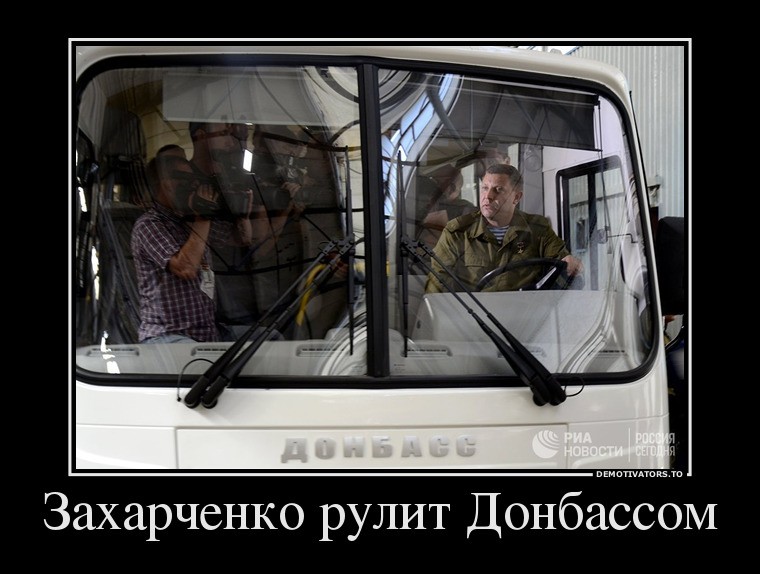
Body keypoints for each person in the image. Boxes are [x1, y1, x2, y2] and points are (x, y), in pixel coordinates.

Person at [130, 153, 251, 343]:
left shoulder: (189, 218)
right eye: (185, 179)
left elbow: (242, 238)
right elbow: (185, 268)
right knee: (203, 361)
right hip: (168, 335)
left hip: (207, 332)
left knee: (271, 339)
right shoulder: (149, 224)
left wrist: (241, 213)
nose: (193, 185)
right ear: (166, 184)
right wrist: (203, 215)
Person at [425, 163, 582, 293]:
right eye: (485, 188)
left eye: (498, 189)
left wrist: (570, 264)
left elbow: (564, 266)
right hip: (474, 317)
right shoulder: (457, 232)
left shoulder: (538, 231)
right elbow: (437, 287)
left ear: (516, 197)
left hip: (527, 316)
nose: (488, 196)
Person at [415, 165, 476, 249]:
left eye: (437, 182)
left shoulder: (466, 212)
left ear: (451, 189)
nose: (432, 186)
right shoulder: (431, 205)